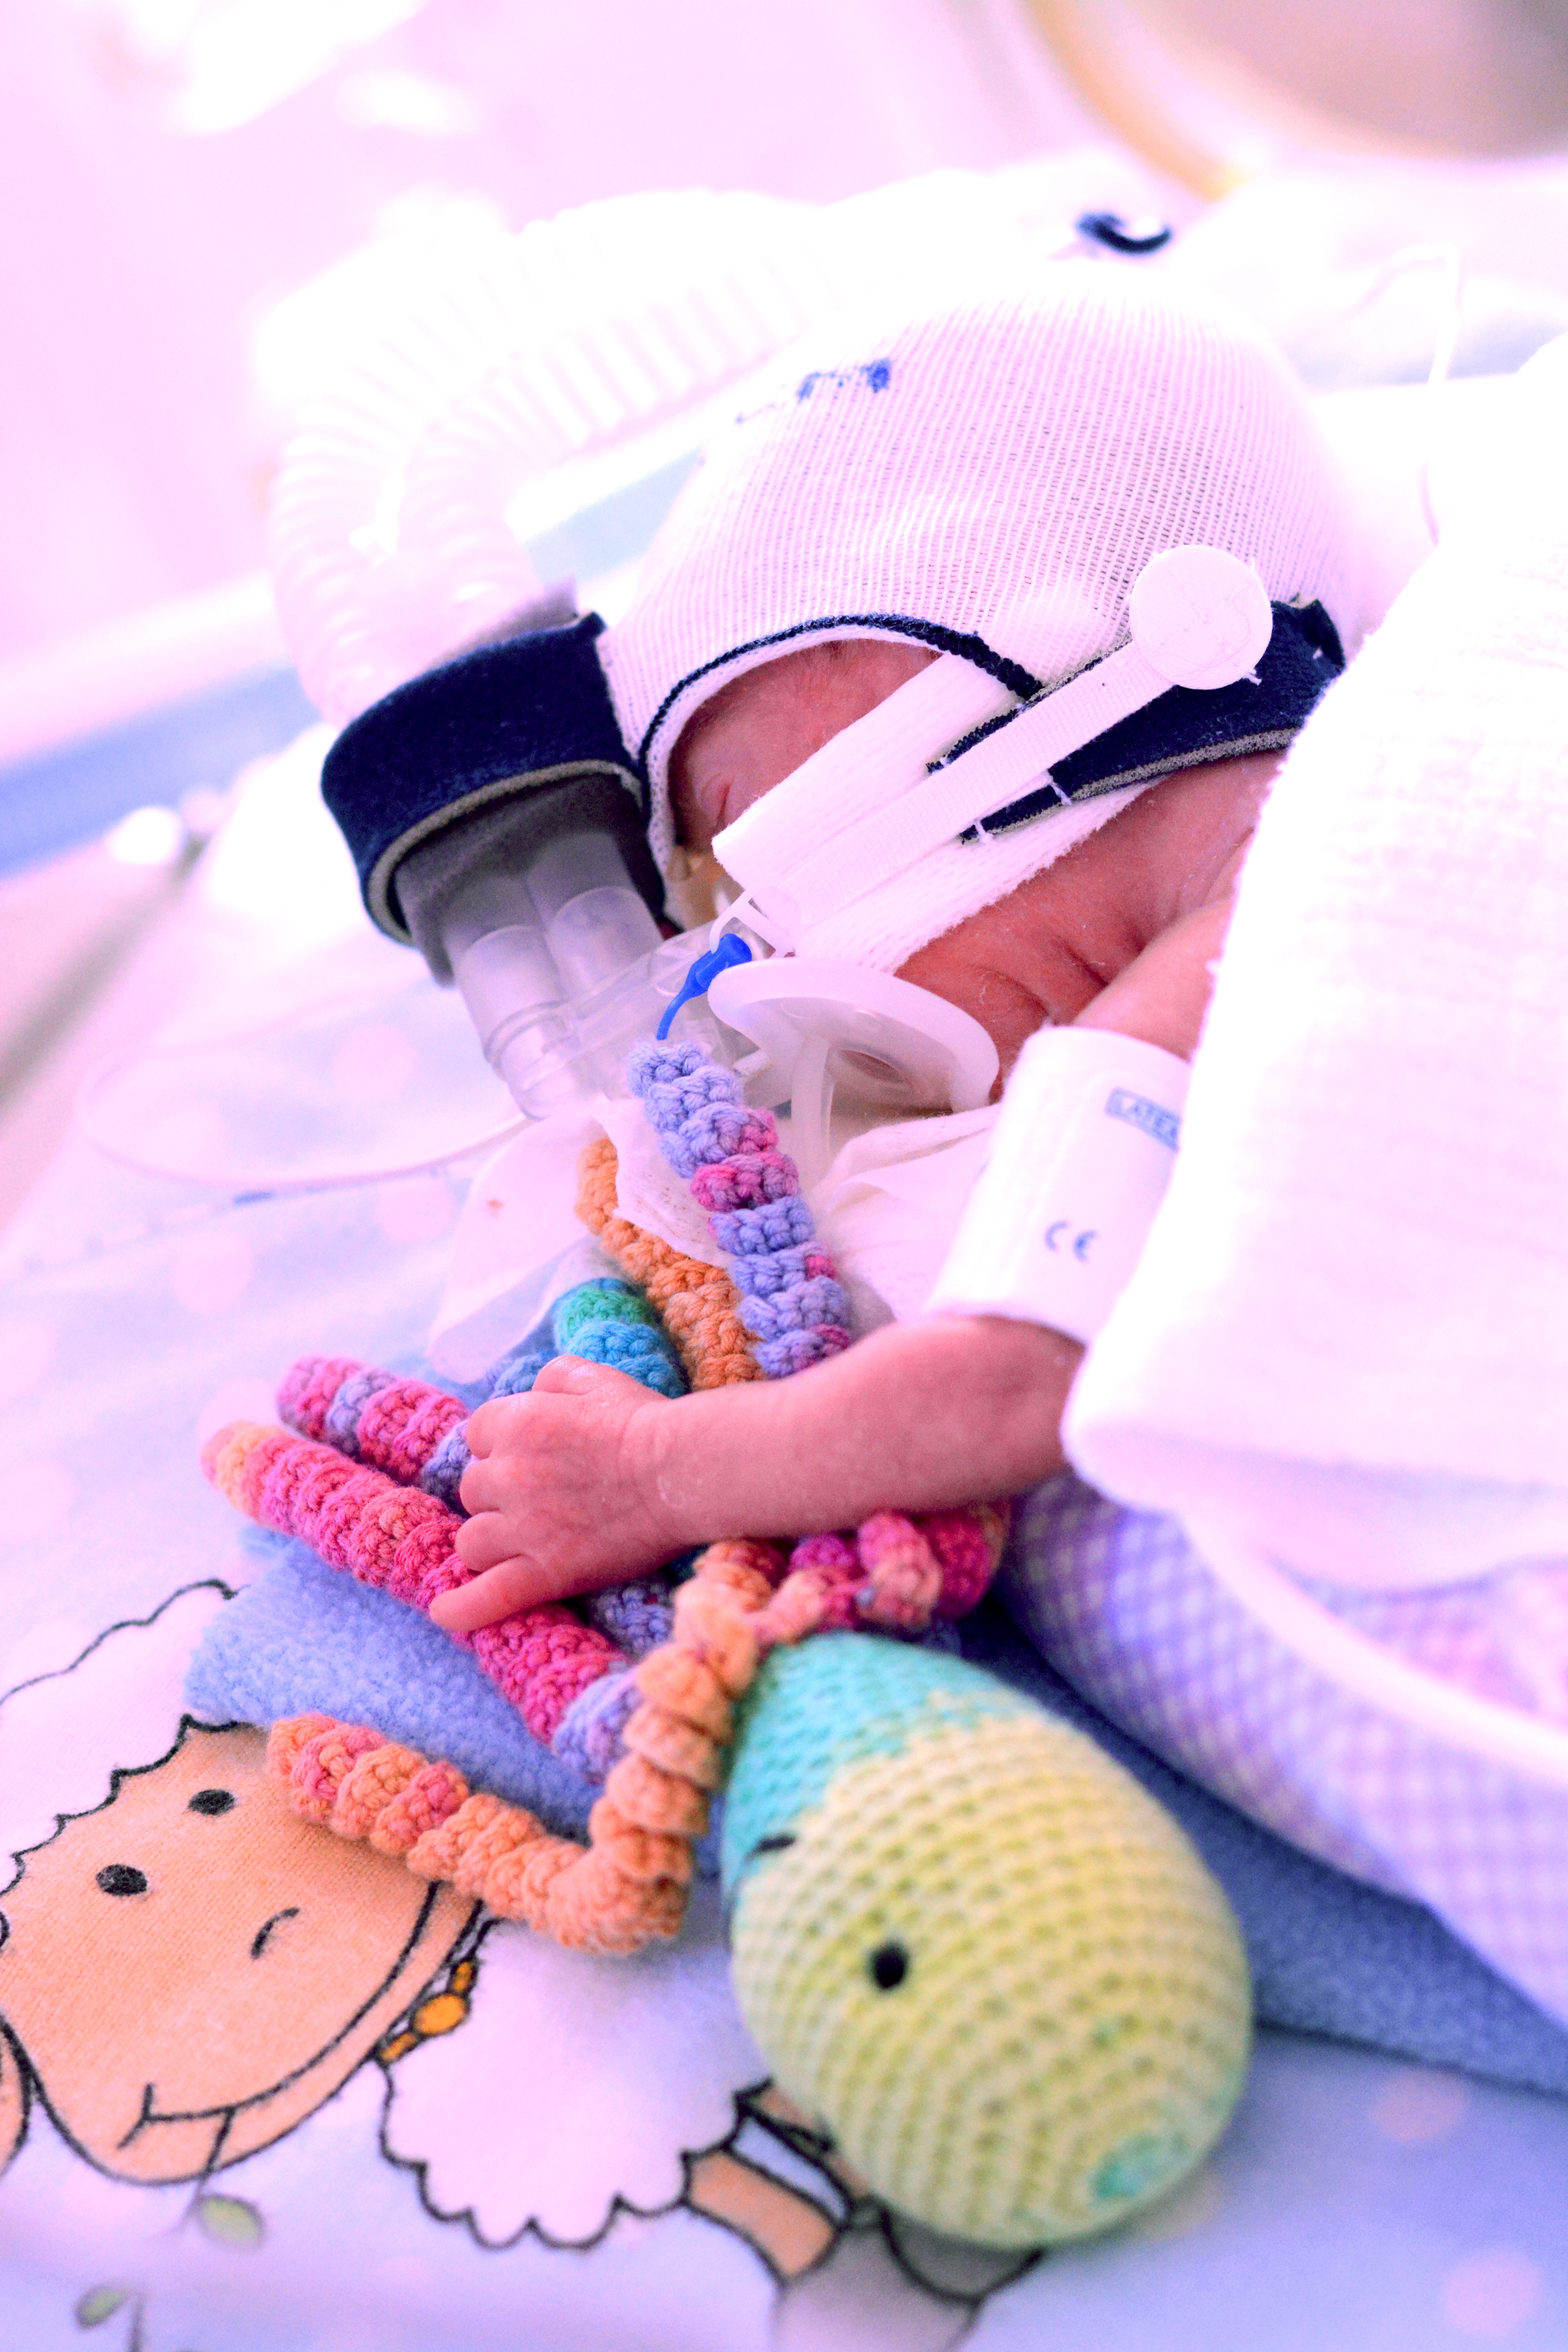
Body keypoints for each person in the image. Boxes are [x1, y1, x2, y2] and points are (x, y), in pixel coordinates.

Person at [426, 262, 1357, 1638]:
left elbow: (1016, 1379)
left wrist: (655, 1473)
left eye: (725, 842)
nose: (734, 970)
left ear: (998, 698)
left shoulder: (1294, 888)